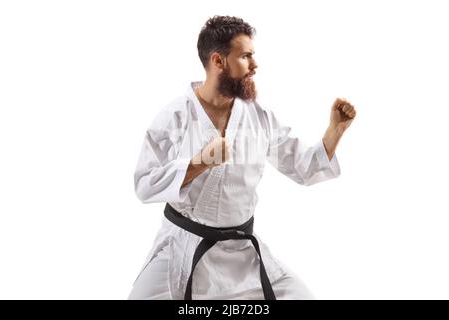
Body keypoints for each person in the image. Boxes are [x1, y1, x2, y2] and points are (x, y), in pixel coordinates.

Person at [128, 15, 356, 300]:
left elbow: (304, 168)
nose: (255, 65)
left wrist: (334, 131)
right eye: (246, 56)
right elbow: (144, 184)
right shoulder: (176, 116)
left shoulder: (257, 116)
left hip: (242, 253)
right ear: (218, 61)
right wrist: (200, 162)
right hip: (183, 249)